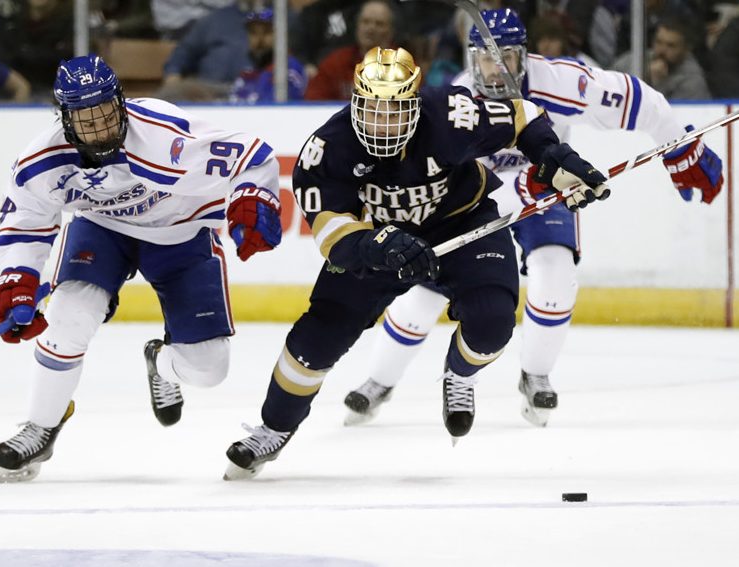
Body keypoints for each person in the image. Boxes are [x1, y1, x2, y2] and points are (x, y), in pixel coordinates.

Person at [224, 45, 611, 480]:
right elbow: (332, 234)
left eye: (394, 111)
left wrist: (554, 158)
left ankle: (460, 377)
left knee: (493, 323)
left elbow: (523, 116)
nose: (381, 123)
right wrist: (380, 246)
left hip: (461, 224)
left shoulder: (450, 115)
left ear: (414, 103)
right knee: (314, 341)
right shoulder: (326, 150)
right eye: (371, 110)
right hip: (374, 242)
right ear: (355, 101)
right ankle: (273, 428)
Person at [343, 9, 724, 428]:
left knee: (555, 271)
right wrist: (520, 188)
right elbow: (451, 181)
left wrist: (679, 149)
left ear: (524, 56)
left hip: (547, 188)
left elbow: (643, 100)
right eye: (487, 58)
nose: (497, 67)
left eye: (507, 56)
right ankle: (380, 379)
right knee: (425, 292)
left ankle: (535, 373)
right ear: (472, 59)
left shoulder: (561, 82)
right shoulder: (457, 102)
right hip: (475, 201)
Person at [0, 54, 282, 483]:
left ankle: (160, 364)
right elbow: (24, 222)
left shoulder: (165, 135)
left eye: (105, 113)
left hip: (181, 231)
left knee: (209, 369)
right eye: (84, 119)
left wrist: (253, 199)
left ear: (120, 102)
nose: (99, 127)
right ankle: (40, 424)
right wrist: (16, 280)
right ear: (64, 118)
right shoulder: (41, 160)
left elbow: (254, 158)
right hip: (102, 229)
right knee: (69, 313)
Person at [304, 0, 395, 101]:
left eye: (379, 24)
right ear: (357, 26)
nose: (371, 28)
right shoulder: (336, 62)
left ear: (390, 30)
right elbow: (312, 102)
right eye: (365, 22)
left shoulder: (402, 64)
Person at [230, 8, 307, 103]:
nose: (259, 39)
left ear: (282, 35)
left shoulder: (289, 69)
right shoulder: (247, 74)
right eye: (253, 33)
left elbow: (281, 110)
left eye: (267, 32)